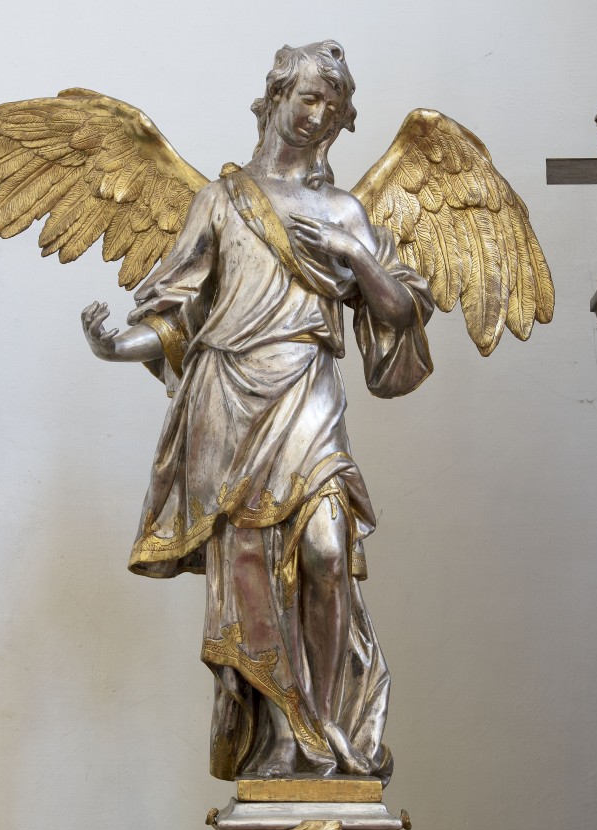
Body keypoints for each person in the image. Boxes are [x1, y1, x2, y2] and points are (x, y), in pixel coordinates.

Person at [81, 40, 434, 784]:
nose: (316, 115)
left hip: (306, 390)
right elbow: (178, 315)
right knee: (250, 569)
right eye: (306, 97)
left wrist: (354, 253)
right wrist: (115, 346)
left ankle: (325, 727)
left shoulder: (343, 210)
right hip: (228, 399)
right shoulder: (222, 200)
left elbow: (401, 311)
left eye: (331, 106)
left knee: (327, 554)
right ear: (275, 98)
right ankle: (282, 734)